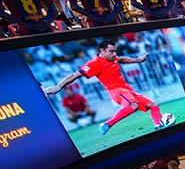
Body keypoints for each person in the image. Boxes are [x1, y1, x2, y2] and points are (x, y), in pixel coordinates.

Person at [43, 39, 171, 135]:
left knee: (153, 105)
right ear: (102, 51)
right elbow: (75, 75)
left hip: (127, 90)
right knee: (133, 105)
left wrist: (138, 60)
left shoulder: (113, 58)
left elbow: (122, 59)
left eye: (114, 51)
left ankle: (158, 125)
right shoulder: (95, 63)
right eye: (111, 51)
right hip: (116, 91)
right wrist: (58, 87)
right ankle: (106, 124)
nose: (114, 53)